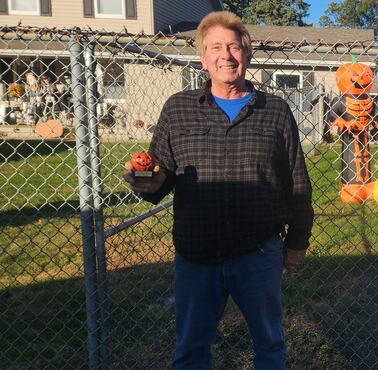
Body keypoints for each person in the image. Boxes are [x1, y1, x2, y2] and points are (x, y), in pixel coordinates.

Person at [122, 11, 313, 369]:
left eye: (234, 46)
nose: (226, 55)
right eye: (216, 47)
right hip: (197, 257)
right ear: (203, 58)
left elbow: (297, 182)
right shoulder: (178, 109)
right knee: (191, 349)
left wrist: (297, 242)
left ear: (248, 55)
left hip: (258, 252)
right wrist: (144, 179)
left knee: (270, 344)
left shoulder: (275, 110)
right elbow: (160, 176)